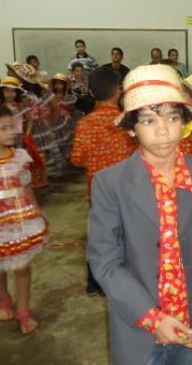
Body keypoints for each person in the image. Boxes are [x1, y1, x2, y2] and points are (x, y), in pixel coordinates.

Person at [87, 64, 192, 365]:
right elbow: (105, 261)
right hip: (140, 325)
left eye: (172, 117)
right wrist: (152, 318)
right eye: (148, 120)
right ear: (130, 127)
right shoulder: (110, 183)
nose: (163, 130)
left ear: (185, 121)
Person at [0, 106, 49, 335]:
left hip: (22, 217)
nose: (11, 132)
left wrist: (37, 209)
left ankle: (23, 310)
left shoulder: (19, 156)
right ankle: (3, 300)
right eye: (3, 128)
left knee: (22, 266)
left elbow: (26, 186)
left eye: (11, 127)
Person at [71, 67, 135, 296]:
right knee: (130, 235)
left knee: (99, 236)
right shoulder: (128, 123)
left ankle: (94, 282)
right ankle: (127, 277)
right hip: (129, 191)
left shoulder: (85, 124)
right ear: (119, 91)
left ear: (90, 91)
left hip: (97, 192)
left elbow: (77, 158)